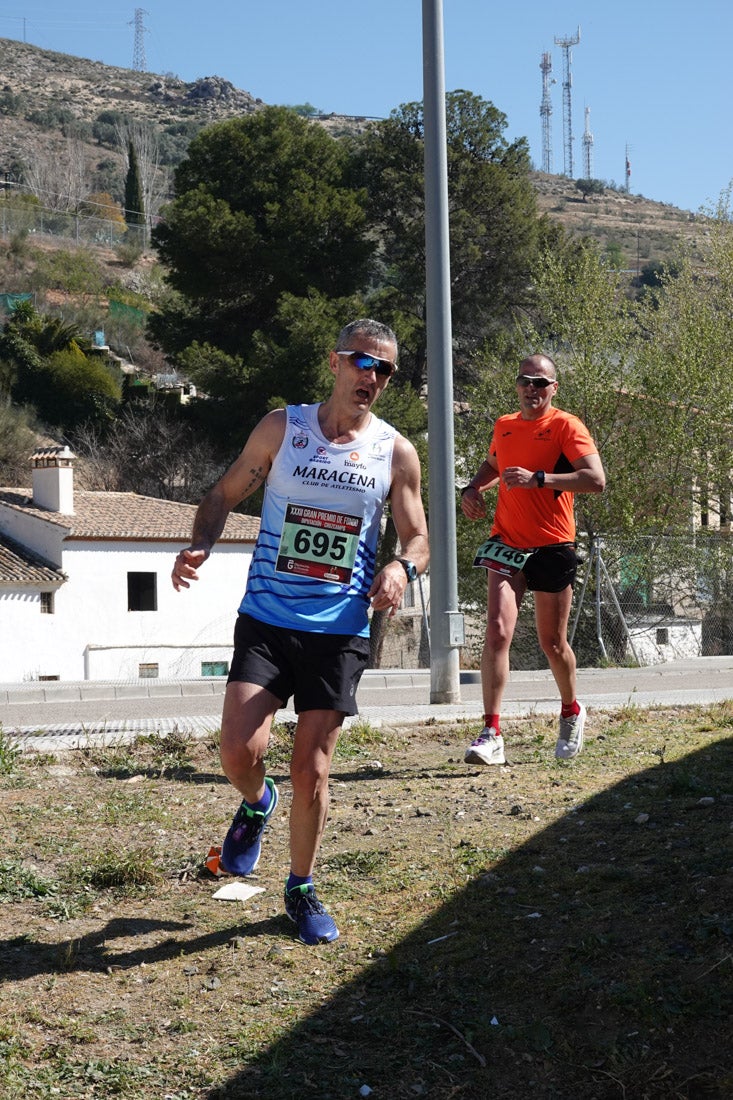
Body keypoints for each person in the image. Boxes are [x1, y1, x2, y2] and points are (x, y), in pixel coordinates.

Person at [172, 319, 429, 945]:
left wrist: (399, 566)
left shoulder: (394, 452)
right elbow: (224, 492)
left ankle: (300, 887)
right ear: (334, 361)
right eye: (362, 363)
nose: (372, 377)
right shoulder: (281, 429)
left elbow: (419, 537)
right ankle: (257, 804)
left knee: (312, 768)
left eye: (385, 370)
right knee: (240, 752)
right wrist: (201, 543)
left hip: (340, 629)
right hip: (267, 617)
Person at [460, 353, 605, 766]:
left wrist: (539, 479)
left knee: (552, 643)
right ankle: (491, 732)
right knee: (496, 631)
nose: (532, 388)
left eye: (541, 383)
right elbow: (492, 465)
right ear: (518, 384)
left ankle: (571, 710)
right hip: (506, 542)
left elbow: (595, 480)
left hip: (552, 545)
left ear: (553, 388)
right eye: (526, 380)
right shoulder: (504, 426)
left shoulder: (566, 426)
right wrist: (472, 489)